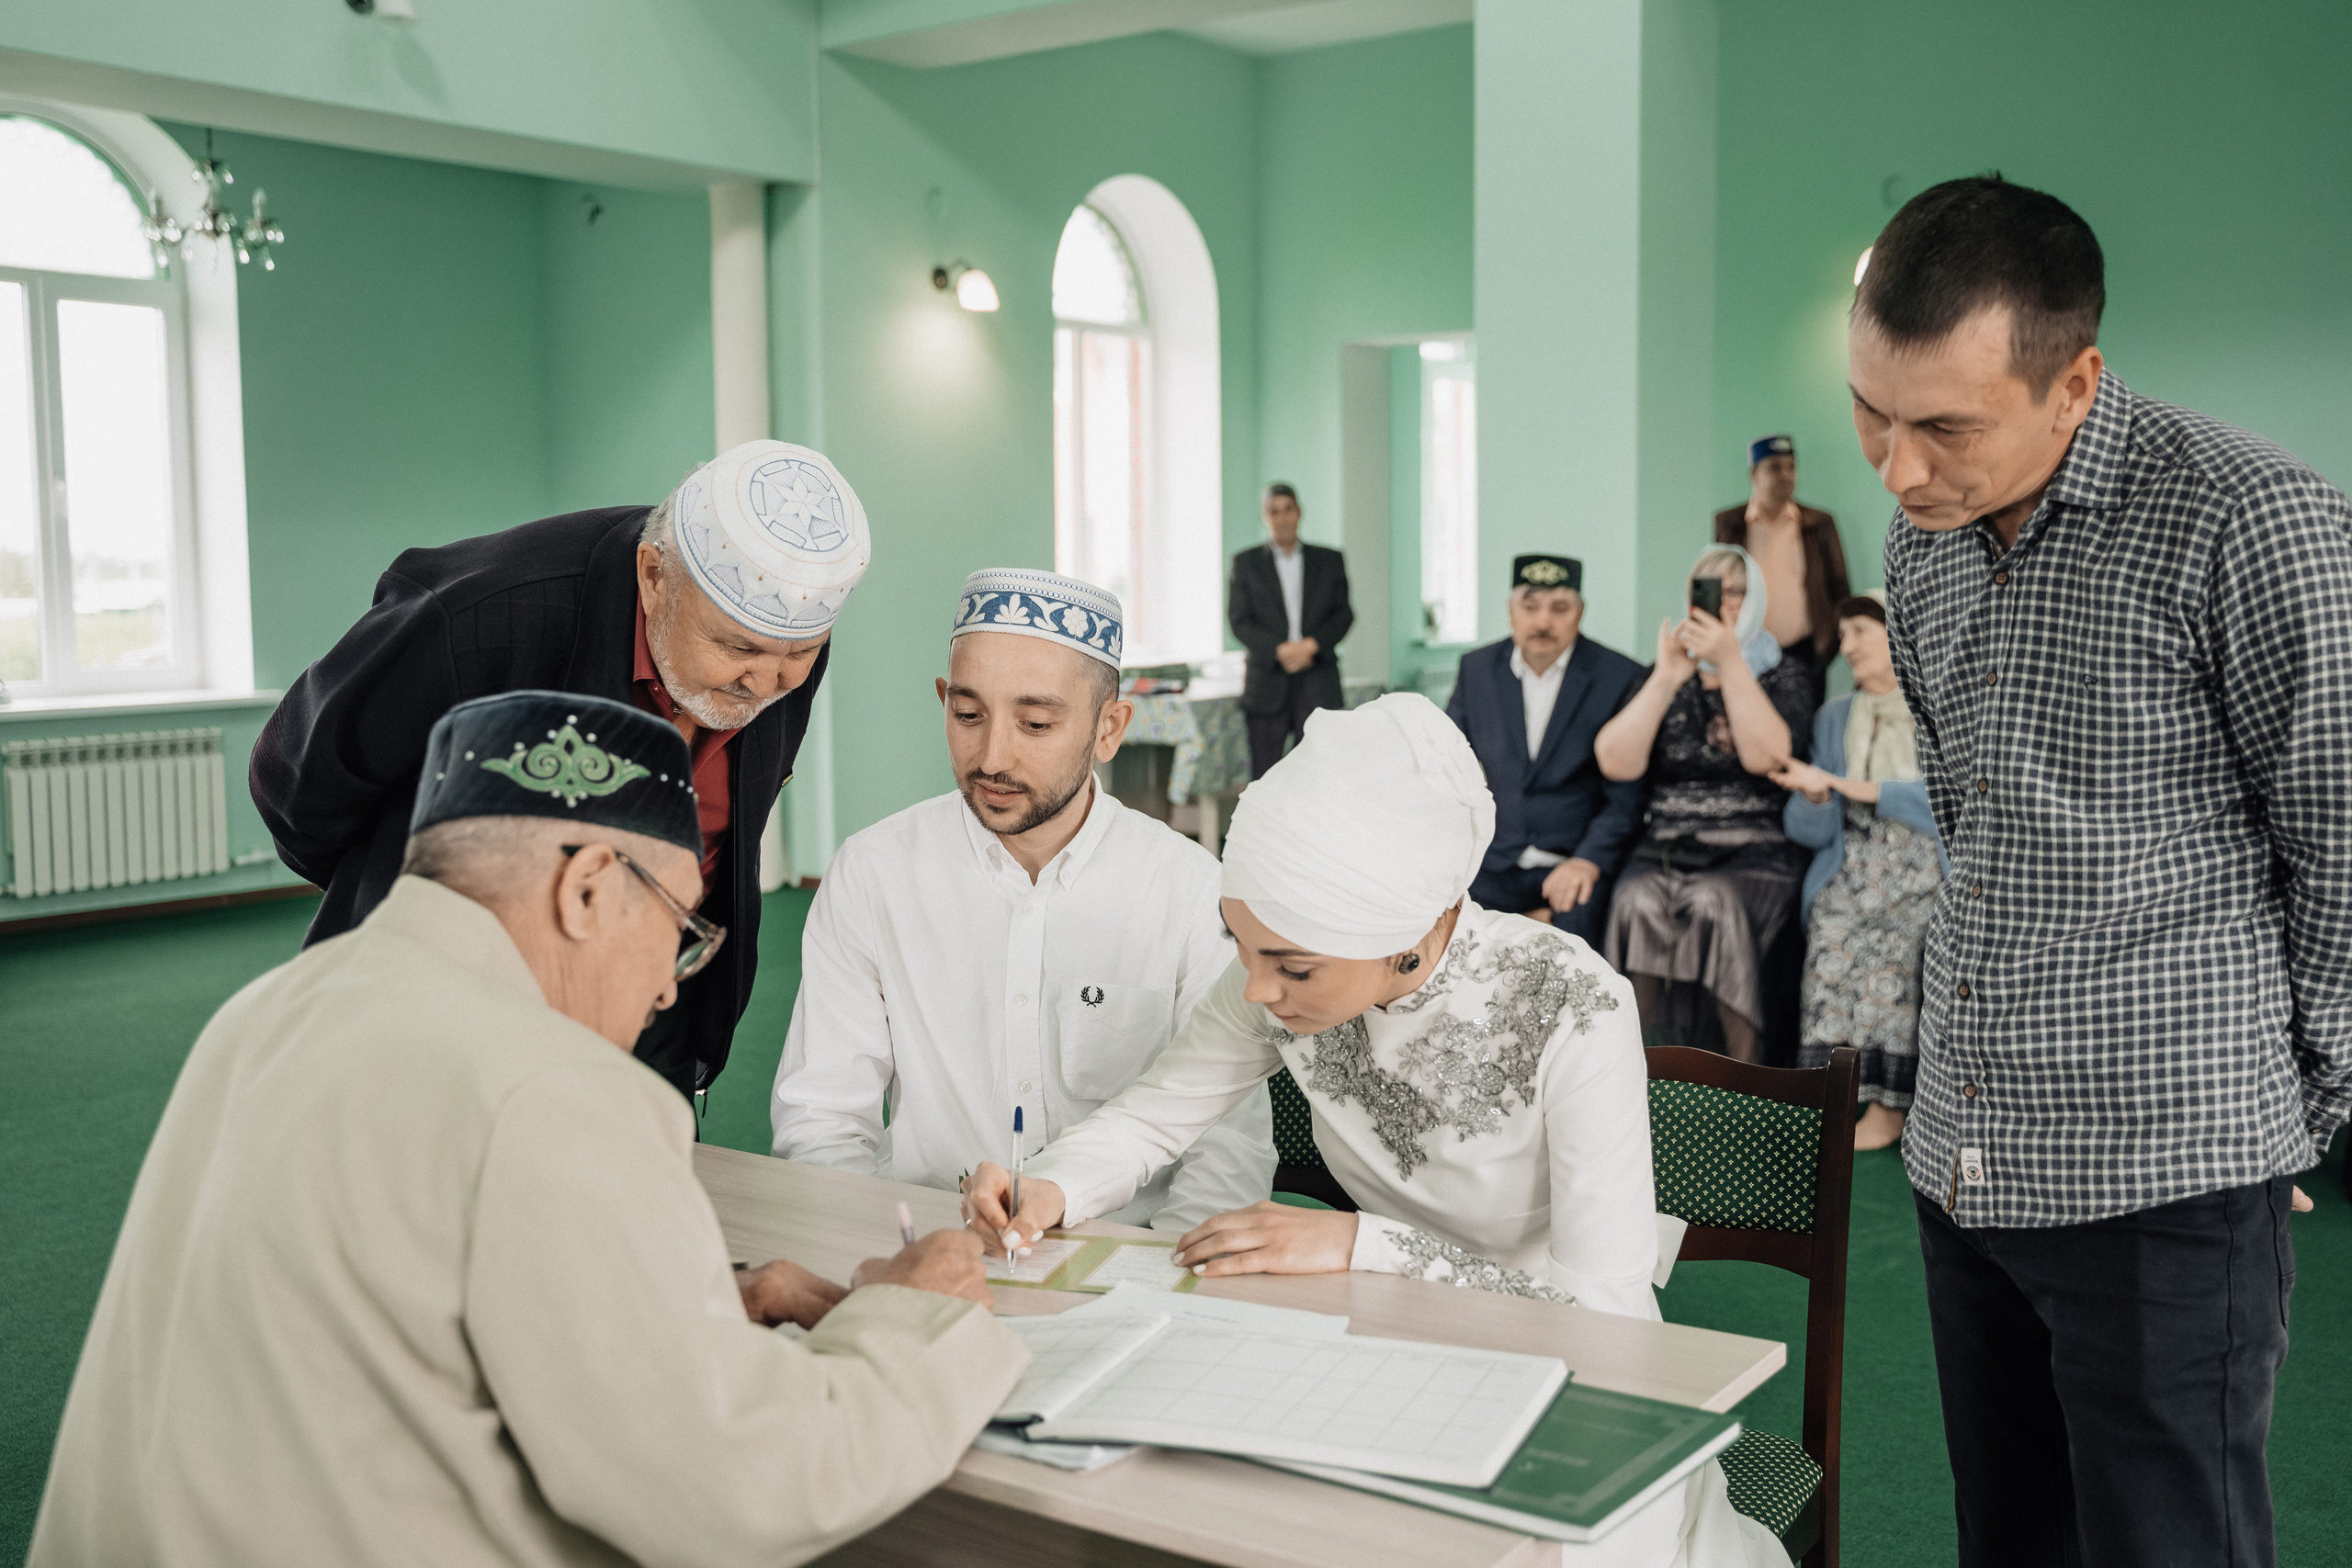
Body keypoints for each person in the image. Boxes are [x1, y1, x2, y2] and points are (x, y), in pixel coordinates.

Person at [29, 691, 1024, 1568]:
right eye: (679, 929)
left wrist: (704, 1302)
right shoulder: (549, 1083)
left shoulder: (272, 1008)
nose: (664, 986)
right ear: (588, 887)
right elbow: (743, 1493)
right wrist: (919, 1313)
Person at [958, 694, 1785, 1568]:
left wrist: (1364, 1243)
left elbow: (1608, 1323)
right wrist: (1050, 1184)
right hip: (1369, 1337)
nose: (1256, 991)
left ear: (1403, 938)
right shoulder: (1282, 976)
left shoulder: (1572, 1006)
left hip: (1571, 1372)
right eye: (1241, 947)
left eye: (1291, 966)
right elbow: (1155, 1113)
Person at [1856, 175, 2340, 1567]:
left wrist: (2283, 1109)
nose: (1897, 468)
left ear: (2075, 381)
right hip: (1967, 1159)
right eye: (1871, 413)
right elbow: (1974, 823)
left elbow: (2344, 840)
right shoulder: (1921, 535)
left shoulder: (2255, 523)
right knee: (2012, 1537)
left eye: (1945, 425)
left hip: (2165, 1167)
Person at [251, 440, 868, 1106]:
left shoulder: (778, 660)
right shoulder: (479, 616)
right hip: (449, 1004)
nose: (766, 681)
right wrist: (393, 893)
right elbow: (296, 780)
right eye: (736, 645)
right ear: (654, 576)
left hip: (649, 1003)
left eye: (800, 653)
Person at [771, 568, 1273, 1229]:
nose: (991, 756)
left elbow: (1226, 1152)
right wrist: (887, 1253)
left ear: (1109, 728)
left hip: (1132, 1263)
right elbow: (823, 1119)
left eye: (1035, 723)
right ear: (943, 699)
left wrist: (1166, 1290)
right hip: (927, 1250)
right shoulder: (875, 873)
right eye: (968, 715)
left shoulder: (1189, 890)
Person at [1596, 545, 1815, 1065]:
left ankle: (1742, 1073)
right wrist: (1668, 676)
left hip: (1754, 848)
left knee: (1715, 901)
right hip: (1670, 843)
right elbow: (1615, 762)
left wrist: (1730, 663)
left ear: (1755, 600)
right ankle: (1634, 1066)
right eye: (1710, 590)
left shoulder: (1783, 673)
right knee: (1637, 900)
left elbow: (1769, 757)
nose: (1725, 604)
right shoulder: (1664, 670)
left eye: (1737, 592)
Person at [1768, 594, 1946, 1150]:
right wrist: (1819, 796)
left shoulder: (1937, 708)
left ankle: (1889, 1109)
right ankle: (1833, 1095)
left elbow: (1951, 803)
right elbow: (1811, 831)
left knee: (1895, 949)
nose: (1848, 647)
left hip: (1921, 867)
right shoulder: (1835, 716)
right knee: (1831, 938)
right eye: (1843, 634)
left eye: (1861, 631)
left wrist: (1863, 789)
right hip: (1851, 865)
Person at [1446, 554, 1645, 942]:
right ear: (1510, 611)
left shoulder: (1619, 676)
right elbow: (1448, 765)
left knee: (1571, 947)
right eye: (1530, 607)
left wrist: (1587, 861)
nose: (1542, 622)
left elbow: (1628, 795)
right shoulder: (1477, 669)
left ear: (1580, 612)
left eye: (1559, 608)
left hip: (1573, 861)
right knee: (1440, 926)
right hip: (1494, 861)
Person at [1229, 481, 1353, 778]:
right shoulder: (1246, 564)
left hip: (1318, 679)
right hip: (1267, 681)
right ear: (1265, 517)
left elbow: (1344, 614)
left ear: (1299, 513)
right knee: (1266, 776)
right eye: (1274, 511)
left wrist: (1311, 646)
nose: (1282, 518)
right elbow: (1239, 620)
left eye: (1288, 510)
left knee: (1320, 773)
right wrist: (1279, 649)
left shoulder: (1329, 561)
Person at [1713, 434, 1849, 706]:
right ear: (1754, 474)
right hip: (1748, 652)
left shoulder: (1818, 523)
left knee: (1804, 740)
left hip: (1806, 654)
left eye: (1791, 466)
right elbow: (1718, 585)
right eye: (1775, 467)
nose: (1785, 475)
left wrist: (1827, 647)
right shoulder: (1730, 524)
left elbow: (1839, 588)